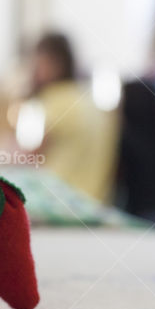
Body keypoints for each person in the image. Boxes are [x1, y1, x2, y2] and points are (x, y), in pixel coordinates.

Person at [21, 32, 118, 203]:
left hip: (62, 200)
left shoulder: (55, 99)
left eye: (37, 62)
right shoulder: (88, 98)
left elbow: (30, 158)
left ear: (54, 63)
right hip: (96, 201)